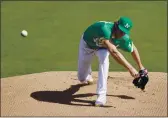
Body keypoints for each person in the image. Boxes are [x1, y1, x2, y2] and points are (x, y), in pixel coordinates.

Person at [77, 16, 148, 106]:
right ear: (116, 25)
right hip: (87, 44)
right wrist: (131, 69)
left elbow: (133, 48)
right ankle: (87, 76)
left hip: (102, 48)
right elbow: (114, 52)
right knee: (81, 77)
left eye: (124, 32)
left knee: (104, 58)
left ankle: (101, 96)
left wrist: (141, 66)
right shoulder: (105, 29)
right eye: (121, 30)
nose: (122, 33)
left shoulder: (123, 38)